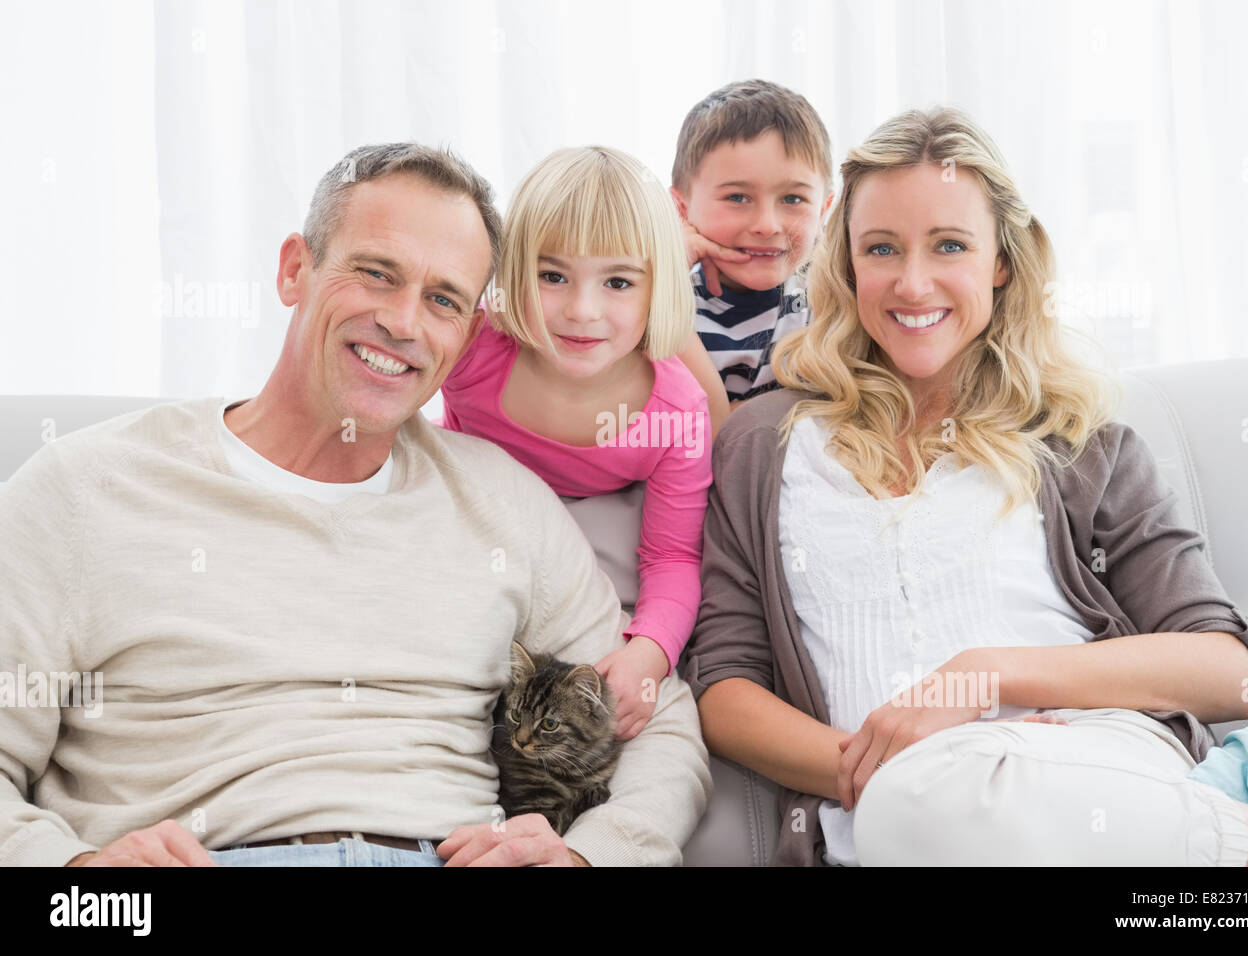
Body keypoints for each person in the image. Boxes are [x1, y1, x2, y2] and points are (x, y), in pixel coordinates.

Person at [0, 143, 709, 868]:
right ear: (293, 270)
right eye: (376, 273)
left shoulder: (504, 504)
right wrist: (75, 876)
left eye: (443, 300)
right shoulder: (84, 487)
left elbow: (661, 724)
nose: (403, 323)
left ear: (468, 333)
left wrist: (591, 856)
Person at [682, 106, 1248, 866]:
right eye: (881, 248)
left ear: (1000, 260)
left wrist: (983, 676)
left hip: (1090, 764)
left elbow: (1227, 671)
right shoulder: (763, 444)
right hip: (887, 812)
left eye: (949, 245)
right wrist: (892, 761)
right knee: (914, 806)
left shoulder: (1074, 437)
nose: (913, 283)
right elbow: (725, 688)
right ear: (846, 264)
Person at [439, 146, 711, 741]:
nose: (581, 310)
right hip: (475, 528)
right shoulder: (472, 350)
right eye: (552, 275)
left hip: (595, 536)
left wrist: (650, 654)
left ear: (657, 288)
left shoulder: (675, 411)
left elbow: (671, 559)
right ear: (513, 274)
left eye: (618, 281)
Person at [668, 78, 836, 428]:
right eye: (737, 198)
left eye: (793, 199)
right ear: (682, 209)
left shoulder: (833, 294)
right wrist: (667, 280)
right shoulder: (658, 301)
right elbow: (705, 430)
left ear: (824, 210)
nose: (767, 225)